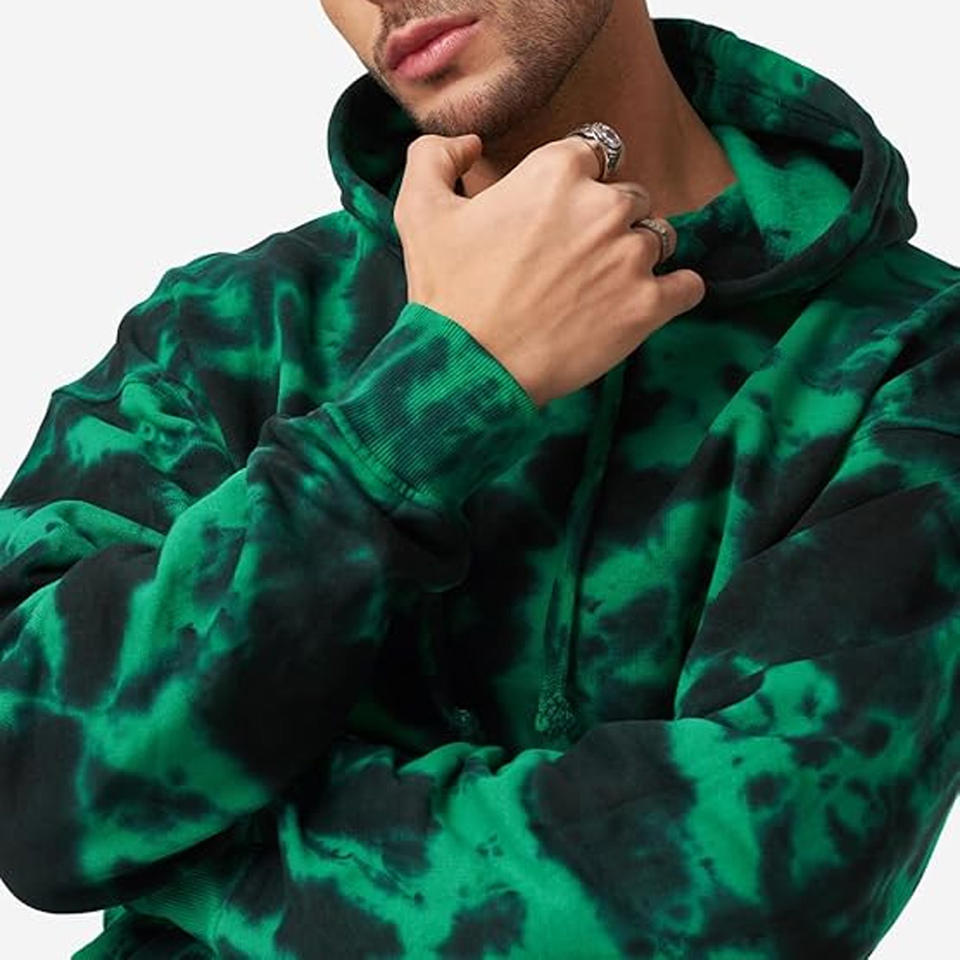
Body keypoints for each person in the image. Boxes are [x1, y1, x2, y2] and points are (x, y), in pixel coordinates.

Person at [0, 0, 956, 956]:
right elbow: (27, 780)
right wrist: (434, 392)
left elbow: (751, 889)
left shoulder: (909, 358)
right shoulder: (224, 328)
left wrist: (181, 851)